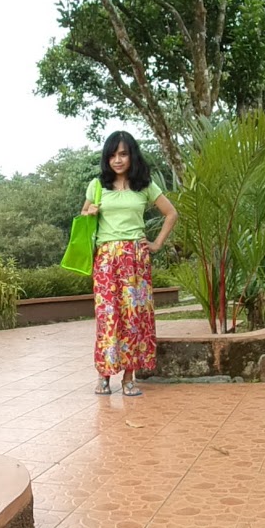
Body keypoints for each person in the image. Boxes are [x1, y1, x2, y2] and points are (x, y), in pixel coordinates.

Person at [83, 131, 178, 396]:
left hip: (135, 258)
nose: (117, 160)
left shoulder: (144, 185)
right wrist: (90, 211)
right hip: (106, 259)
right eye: (112, 155)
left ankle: (128, 378)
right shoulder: (97, 185)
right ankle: (103, 376)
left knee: (134, 318)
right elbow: (84, 215)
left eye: (123, 154)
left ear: (132, 155)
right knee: (108, 317)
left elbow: (171, 213)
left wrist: (156, 244)